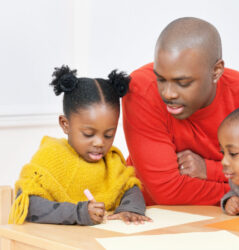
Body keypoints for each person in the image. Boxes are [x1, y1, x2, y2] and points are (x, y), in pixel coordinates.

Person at [122, 17, 239, 206]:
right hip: (152, 218)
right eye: (160, 79)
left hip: (238, 218)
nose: (168, 93)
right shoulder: (141, 88)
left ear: (216, 71)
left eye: (183, 83)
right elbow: (167, 192)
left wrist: (210, 170)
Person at [9, 66, 151, 225]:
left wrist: (130, 209)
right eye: (89, 134)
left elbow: (131, 189)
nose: (99, 143)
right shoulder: (51, 156)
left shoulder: (111, 162)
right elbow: (28, 205)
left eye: (108, 135)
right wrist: (78, 213)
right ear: (65, 124)